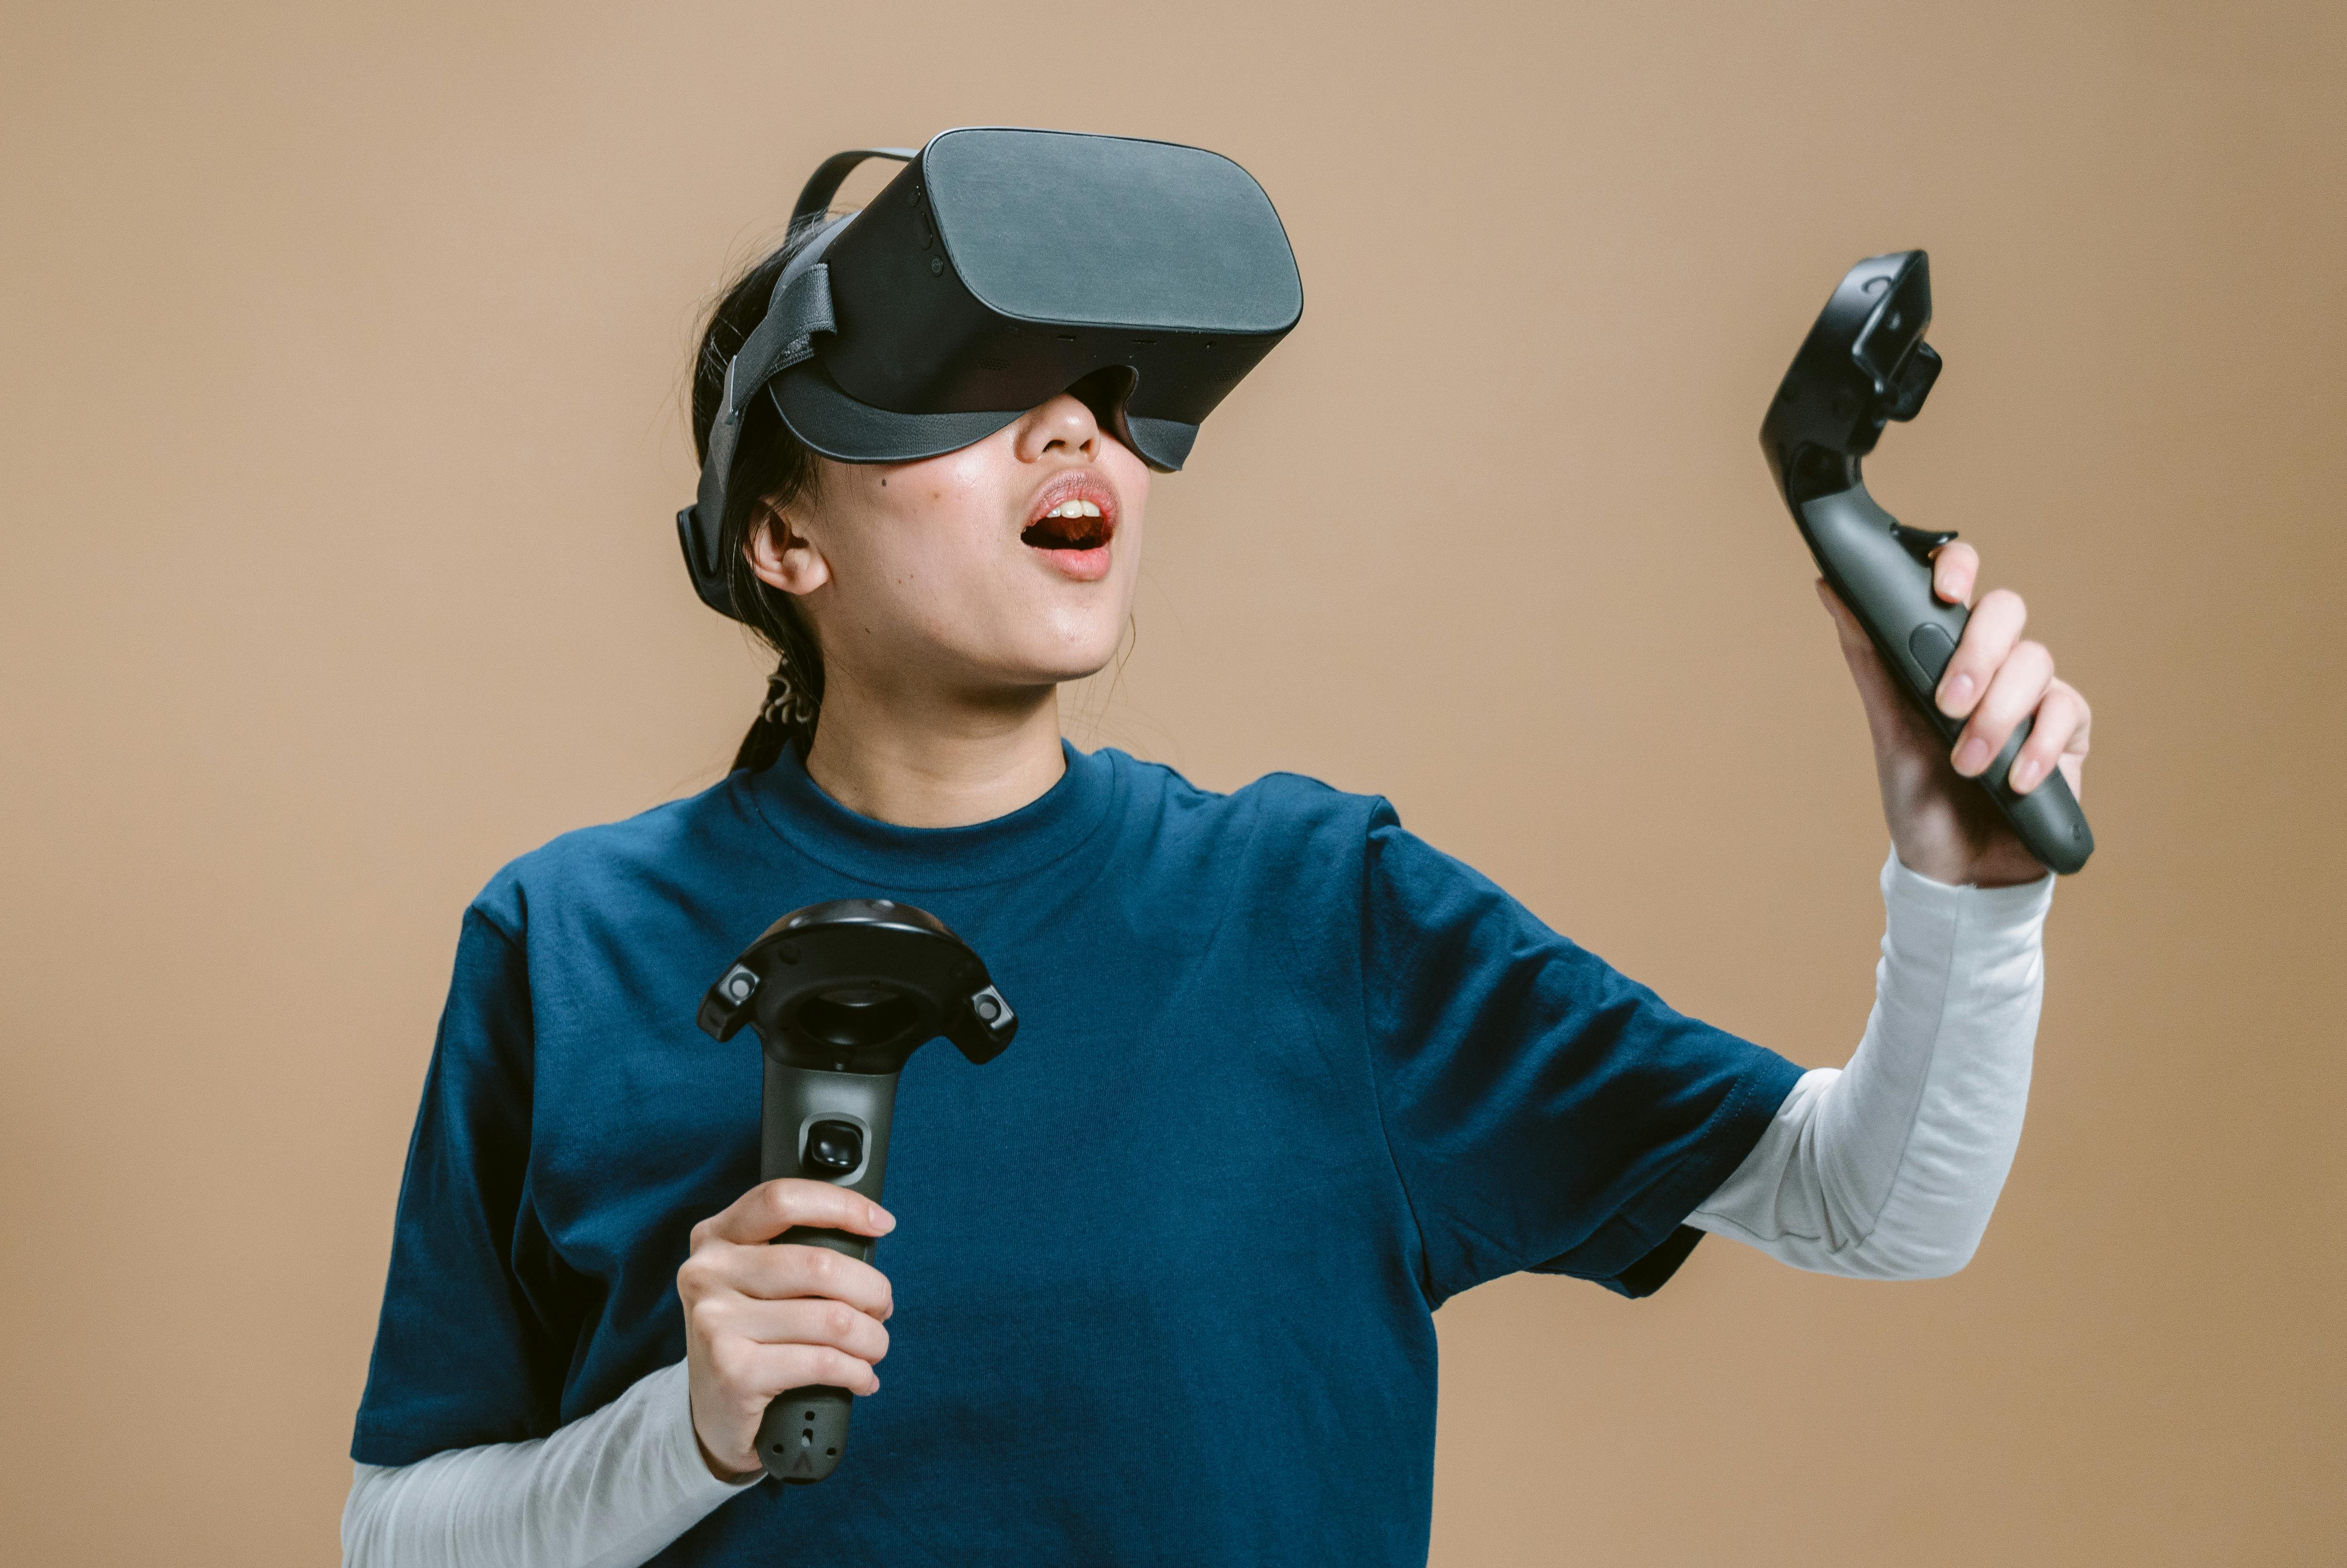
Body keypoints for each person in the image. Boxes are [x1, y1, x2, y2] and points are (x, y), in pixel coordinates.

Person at [338, 186, 2089, 1567]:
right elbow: (395, 1540)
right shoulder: (565, 945)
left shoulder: (1321, 911)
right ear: (784, 535)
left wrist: (1973, 887)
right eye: (968, 389)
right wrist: (685, 1433)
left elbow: (1874, 1203)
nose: (1078, 438)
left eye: (1104, 400)